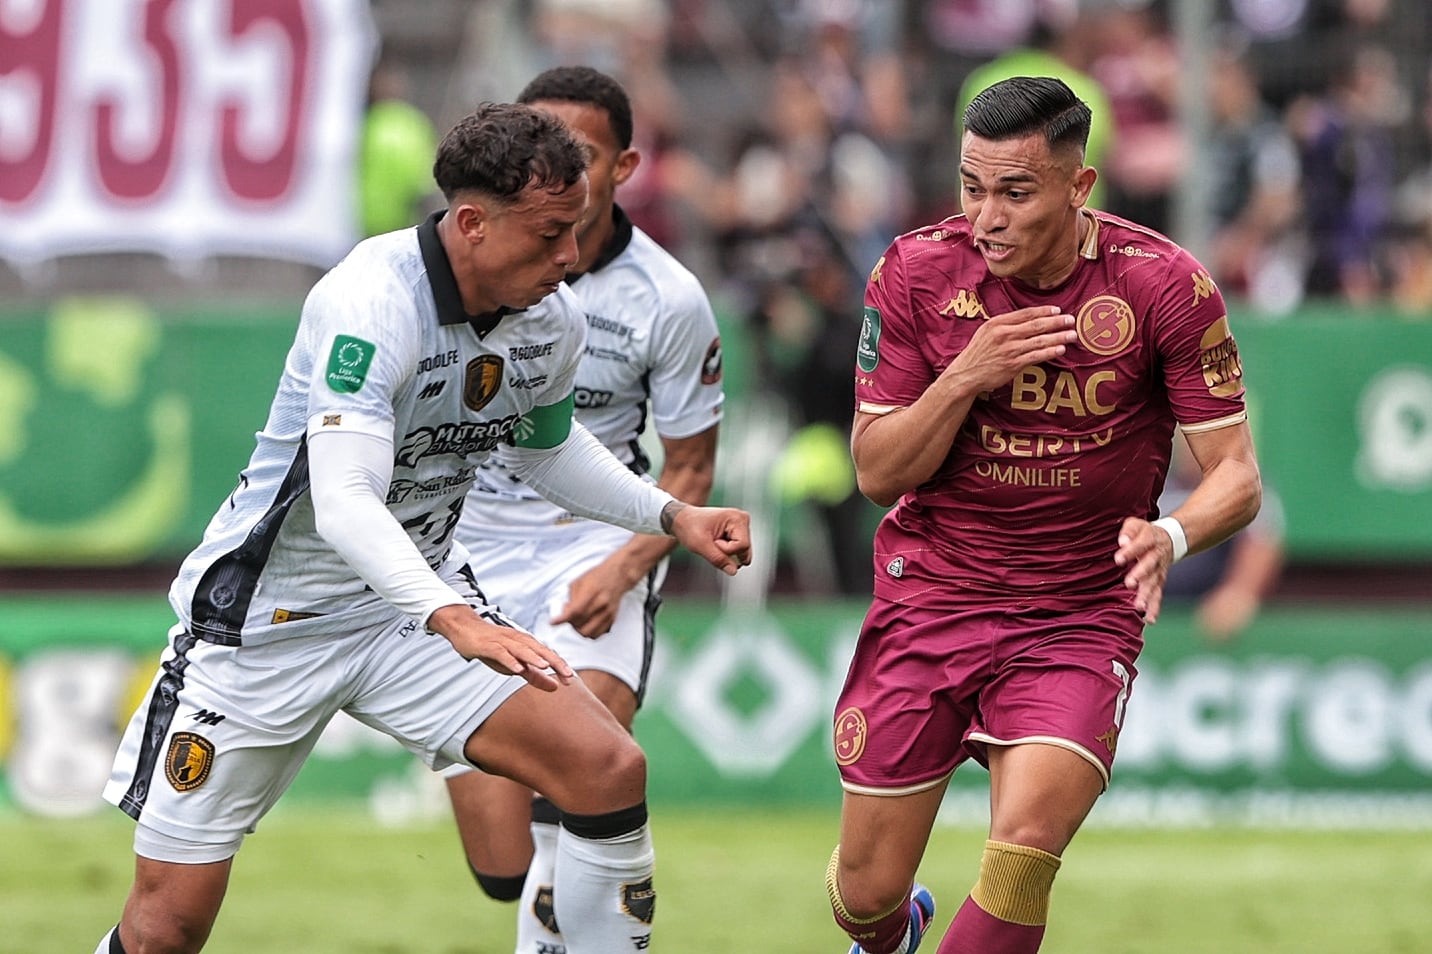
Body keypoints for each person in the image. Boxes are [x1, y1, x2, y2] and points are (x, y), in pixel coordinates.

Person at [91, 101, 751, 954]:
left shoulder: (552, 317)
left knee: (606, 768)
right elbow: (346, 502)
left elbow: (549, 454)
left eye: (579, 229)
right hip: (270, 623)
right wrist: (453, 615)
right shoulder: (369, 302)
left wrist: (670, 513)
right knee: (166, 930)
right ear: (471, 223)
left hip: (408, 614)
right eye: (550, 234)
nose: (570, 256)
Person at [826, 76, 1262, 954]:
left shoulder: (1165, 284)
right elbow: (875, 472)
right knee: (864, 897)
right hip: (932, 599)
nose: (987, 216)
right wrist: (964, 377)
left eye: (1015, 192)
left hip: (1078, 612)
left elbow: (1238, 478)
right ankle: (893, 929)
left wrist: (1169, 535)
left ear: (1078, 187)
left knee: (1023, 851)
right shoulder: (913, 271)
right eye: (971, 186)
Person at [439, 66, 723, 953]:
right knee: (500, 866)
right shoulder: (465, 269)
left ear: (626, 164)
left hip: (588, 548)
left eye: (584, 154)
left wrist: (624, 565)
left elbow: (691, 466)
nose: (556, 169)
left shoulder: (668, 299)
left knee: (582, 784)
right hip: (466, 555)